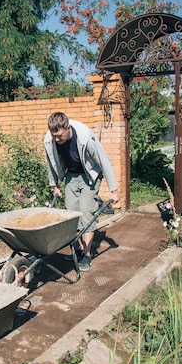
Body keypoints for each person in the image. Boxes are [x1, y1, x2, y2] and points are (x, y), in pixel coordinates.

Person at [44, 112, 120, 271]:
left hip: (89, 176)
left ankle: (87, 254)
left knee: (86, 213)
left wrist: (114, 189)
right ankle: (79, 249)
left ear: (67, 127)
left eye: (60, 136)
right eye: (54, 136)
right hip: (71, 175)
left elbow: (104, 161)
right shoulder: (50, 140)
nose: (57, 140)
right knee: (72, 215)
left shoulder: (85, 137)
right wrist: (55, 185)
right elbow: (51, 162)